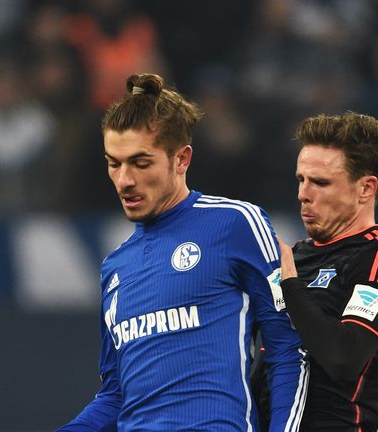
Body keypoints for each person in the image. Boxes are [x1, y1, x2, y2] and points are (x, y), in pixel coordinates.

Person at [57, 73, 308, 431]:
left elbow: (288, 351)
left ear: (181, 159)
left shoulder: (235, 224)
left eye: (141, 163)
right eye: (114, 163)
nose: (125, 180)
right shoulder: (115, 267)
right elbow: (114, 396)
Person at [253, 112, 378, 432]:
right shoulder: (295, 256)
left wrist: (289, 284)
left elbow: (344, 358)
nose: (303, 193)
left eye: (320, 182)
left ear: (365, 189)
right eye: (301, 179)